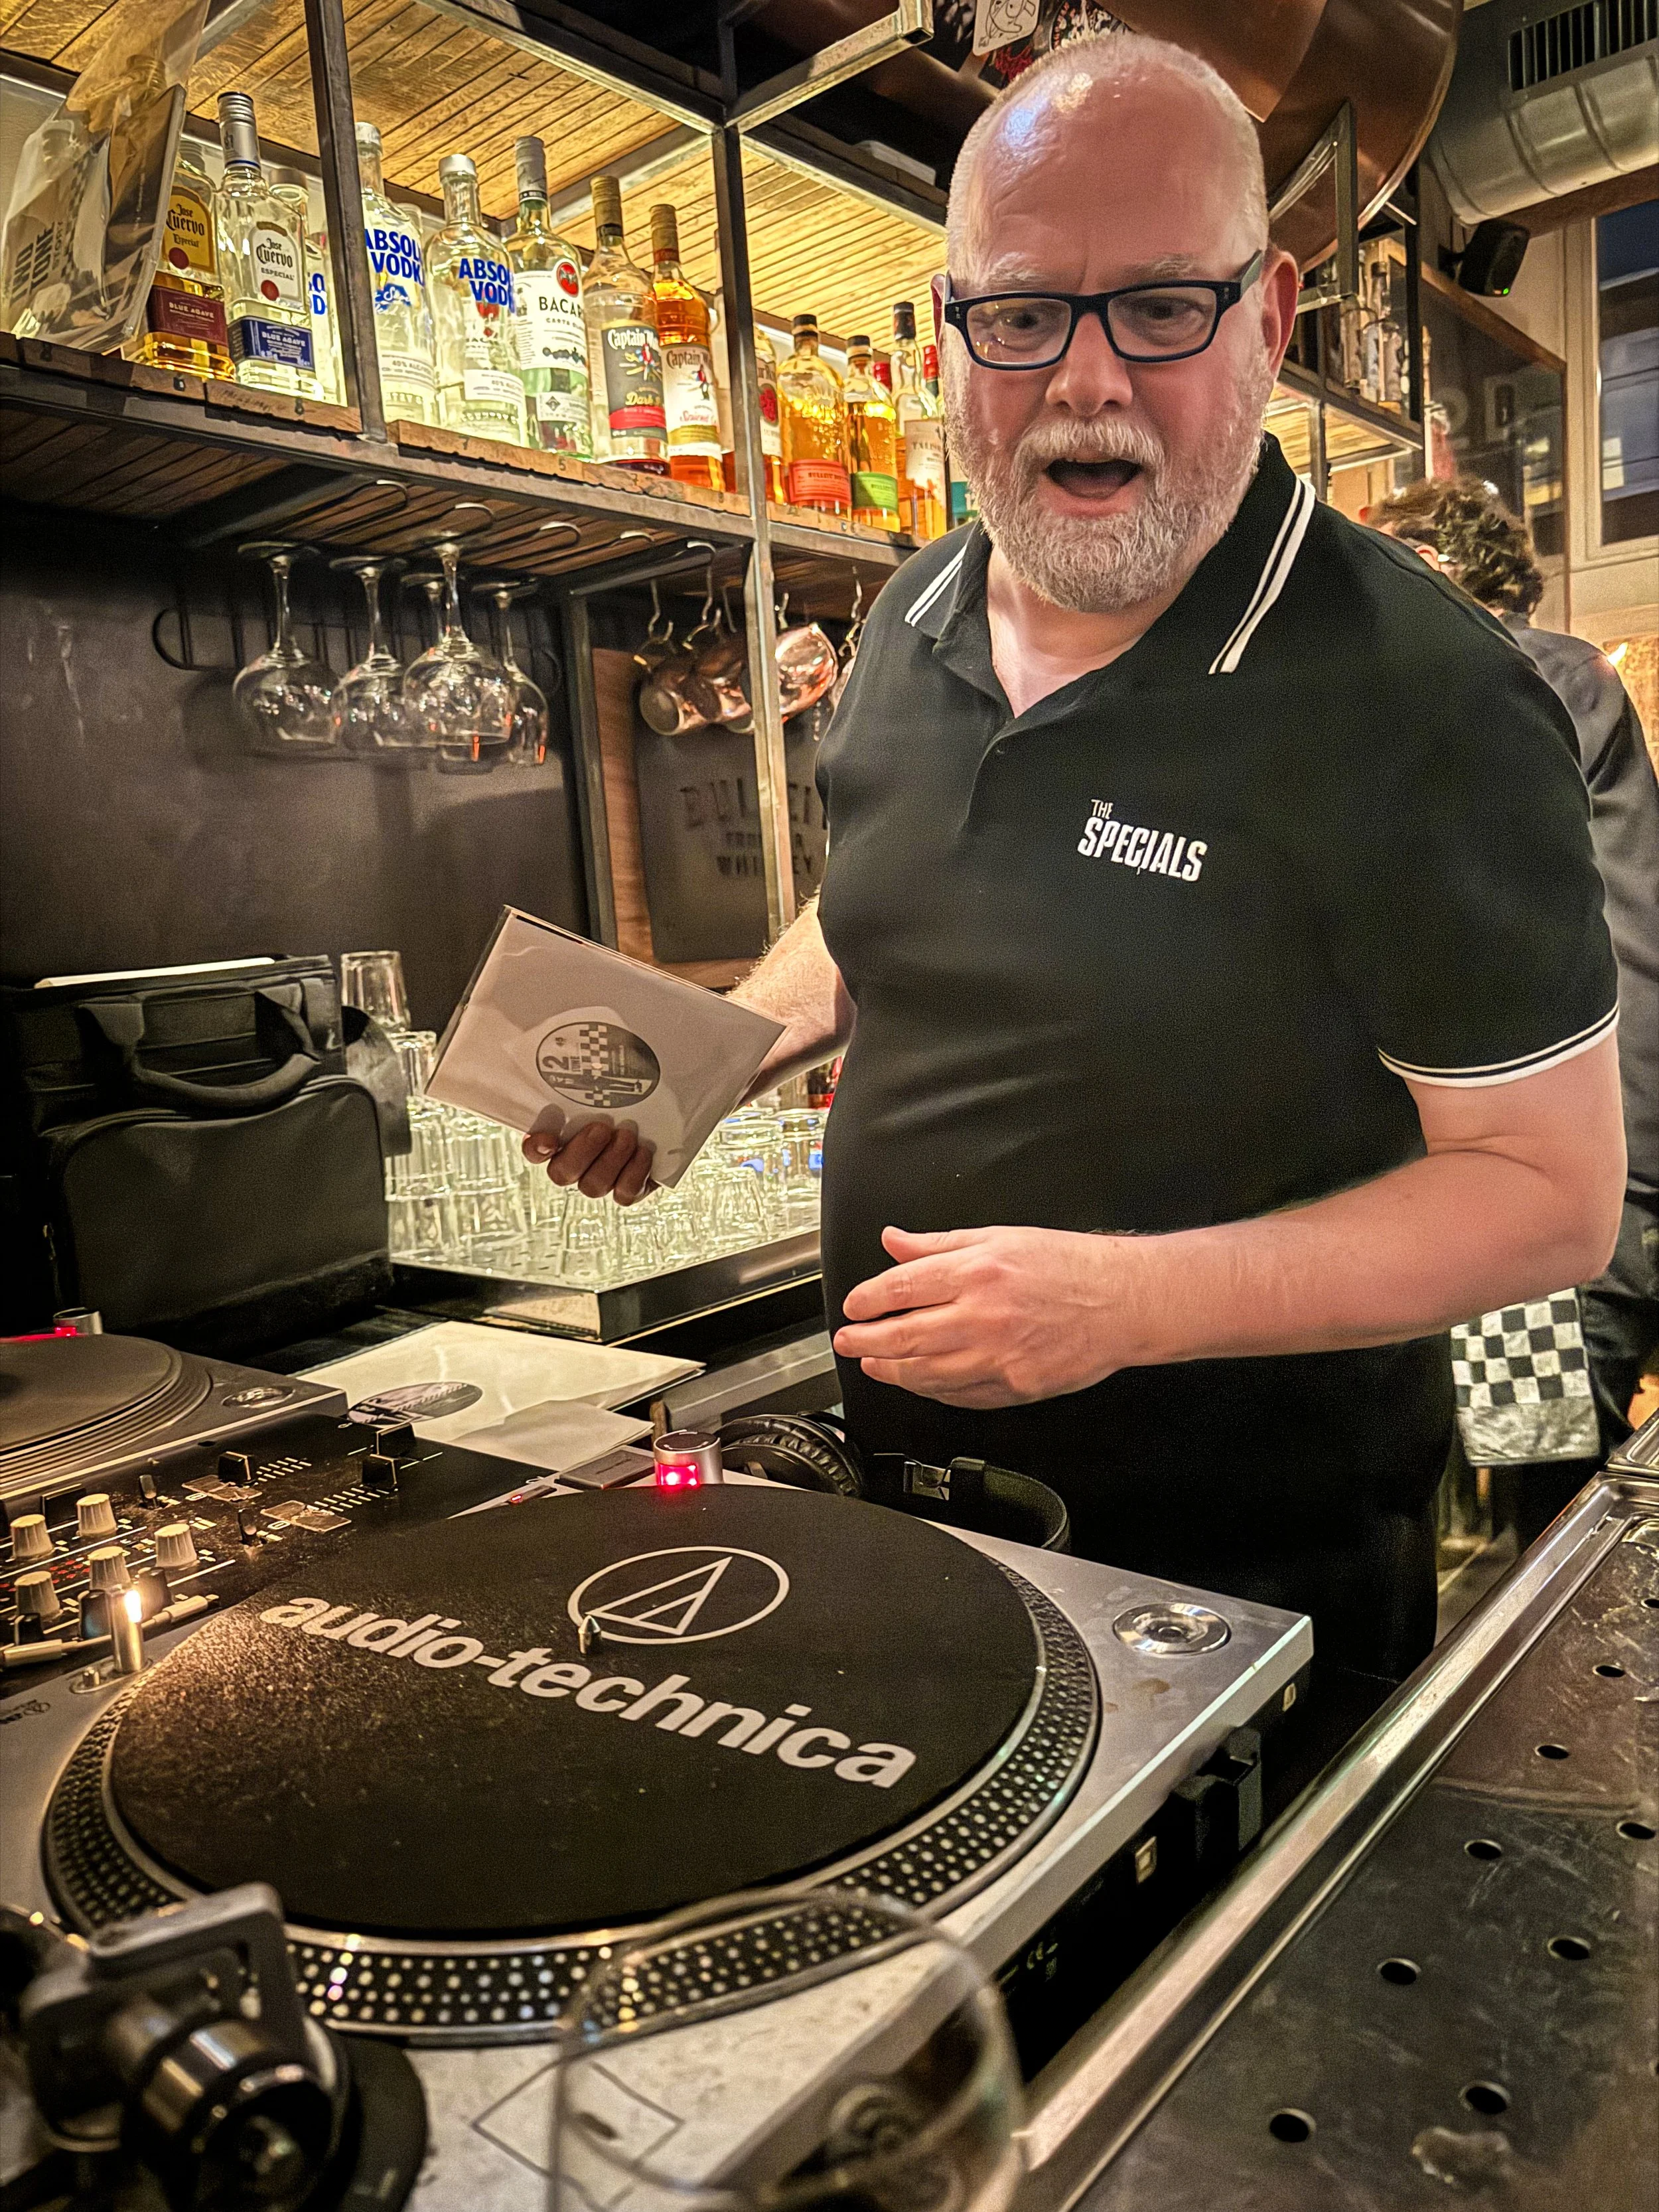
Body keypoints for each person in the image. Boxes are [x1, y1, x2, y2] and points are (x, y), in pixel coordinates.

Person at [526, 34, 1623, 1704]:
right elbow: (890, 887)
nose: (1087, 381)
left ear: (1265, 317)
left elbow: (1548, 1196)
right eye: (1026, 313)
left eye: (1160, 309)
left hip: (1240, 1584)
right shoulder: (908, 616)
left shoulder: (1428, 706)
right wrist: (730, 1047)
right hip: (909, 1513)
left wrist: (1125, 1302)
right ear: (953, 332)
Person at [1372, 476, 1659, 1539]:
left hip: (1558, 1183)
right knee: (1529, 1490)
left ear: (1439, 576)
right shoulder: (1566, 684)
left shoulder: (1507, 673)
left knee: (1537, 1530)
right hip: (1594, 1175)